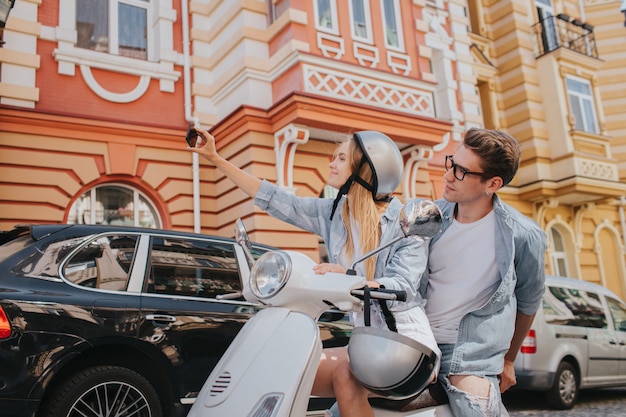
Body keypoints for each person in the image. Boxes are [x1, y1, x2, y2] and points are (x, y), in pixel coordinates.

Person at [188, 127, 440, 417]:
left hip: (405, 345)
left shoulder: (404, 223)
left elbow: (403, 286)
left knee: (345, 376)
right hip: (365, 343)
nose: (331, 163)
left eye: (341, 158)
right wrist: (215, 158)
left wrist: (348, 277)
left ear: (366, 169)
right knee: (285, 367)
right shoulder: (335, 214)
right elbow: (279, 201)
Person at [421, 128, 547, 417]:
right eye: (451, 163)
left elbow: (529, 302)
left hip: (469, 355)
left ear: (493, 183)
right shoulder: (429, 218)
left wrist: (508, 360)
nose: (449, 175)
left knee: (475, 406)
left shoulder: (524, 235)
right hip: (416, 342)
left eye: (462, 171)